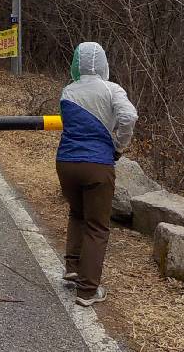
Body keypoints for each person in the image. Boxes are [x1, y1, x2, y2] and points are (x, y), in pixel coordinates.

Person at [56, 42, 138, 307]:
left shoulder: (68, 91)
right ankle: (88, 290)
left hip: (66, 163)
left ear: (77, 63)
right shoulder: (111, 89)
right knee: (97, 227)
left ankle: (72, 267)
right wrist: (119, 146)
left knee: (77, 213)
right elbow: (129, 117)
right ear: (103, 63)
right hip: (97, 165)